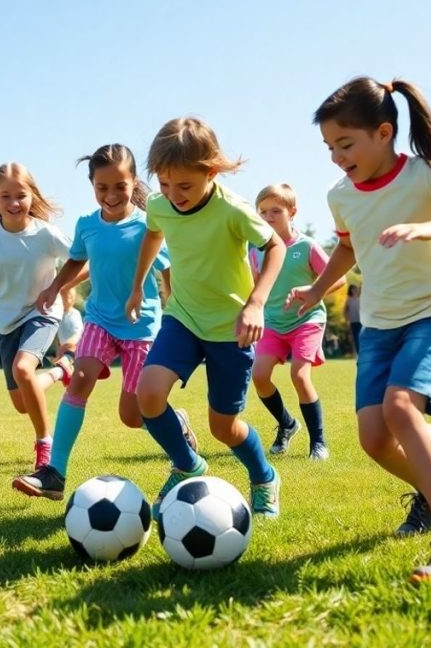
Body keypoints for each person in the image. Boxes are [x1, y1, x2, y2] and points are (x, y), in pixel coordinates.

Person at [286, 77, 431, 586]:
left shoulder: (427, 175)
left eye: (345, 144)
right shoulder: (340, 196)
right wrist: (317, 290)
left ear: (385, 132)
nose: (335, 156)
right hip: (380, 324)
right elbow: (348, 247)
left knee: (400, 408)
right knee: (374, 438)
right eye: (329, 147)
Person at [13, 143, 197, 500]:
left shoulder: (148, 226)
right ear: (92, 185)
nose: (110, 195)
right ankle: (55, 473)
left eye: (119, 187)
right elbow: (76, 260)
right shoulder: (86, 225)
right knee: (78, 380)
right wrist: (55, 287)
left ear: (133, 184)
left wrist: (177, 306)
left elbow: (170, 271)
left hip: (141, 326)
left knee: (133, 414)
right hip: (99, 319)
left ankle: (178, 426)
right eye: (102, 187)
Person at [125, 118, 286, 521]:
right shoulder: (160, 206)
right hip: (183, 316)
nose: (172, 195)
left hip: (231, 329)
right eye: (164, 183)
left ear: (210, 172)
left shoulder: (233, 209)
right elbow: (153, 234)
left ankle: (264, 477)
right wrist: (138, 285)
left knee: (224, 427)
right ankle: (186, 464)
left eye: (184, 186)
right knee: (148, 394)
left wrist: (255, 304)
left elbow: (276, 246)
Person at [0, 163, 79, 472]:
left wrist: (57, 287)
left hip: (42, 313)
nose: (14, 203)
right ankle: (61, 371)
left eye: (21, 195)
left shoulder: (46, 233)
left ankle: (45, 446)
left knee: (23, 369)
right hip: (5, 321)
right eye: (5, 196)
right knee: (20, 402)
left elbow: (84, 261)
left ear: (32, 197)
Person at [250, 183, 344, 460]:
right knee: (259, 376)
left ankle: (318, 442)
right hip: (273, 323)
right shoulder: (256, 250)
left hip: (307, 320)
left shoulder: (306, 246)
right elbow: (257, 287)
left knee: (299, 375)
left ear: (292, 212)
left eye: (275, 211)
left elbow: (337, 278)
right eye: (263, 212)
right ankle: (287, 424)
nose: (268, 217)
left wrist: (313, 294)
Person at [343, 284, 362, 358]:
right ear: (350, 290)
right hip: (353, 321)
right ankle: (358, 354)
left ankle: (363, 353)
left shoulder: (361, 298)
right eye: (353, 289)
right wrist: (346, 320)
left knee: (361, 337)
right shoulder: (349, 300)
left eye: (356, 289)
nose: (355, 290)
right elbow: (345, 310)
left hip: (362, 321)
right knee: (356, 338)